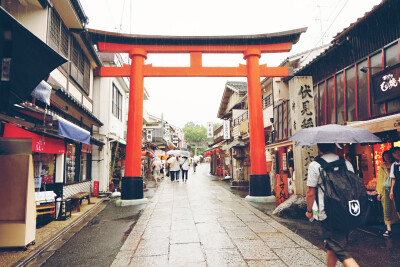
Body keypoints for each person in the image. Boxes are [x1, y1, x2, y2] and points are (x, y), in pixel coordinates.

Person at [305, 143, 359, 267]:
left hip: (327, 212)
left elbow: (310, 193)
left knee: (338, 248)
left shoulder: (315, 165)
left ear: (319, 149)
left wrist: (309, 210)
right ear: (335, 147)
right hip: (346, 209)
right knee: (332, 244)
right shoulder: (346, 163)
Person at [376, 150, 396, 236]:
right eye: (385, 156)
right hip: (385, 188)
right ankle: (389, 228)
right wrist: (379, 192)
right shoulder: (382, 165)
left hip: (396, 187)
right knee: (387, 208)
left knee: (397, 206)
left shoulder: (395, 164)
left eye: (388, 155)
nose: (386, 157)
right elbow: (380, 179)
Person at [389, 147, 400, 215]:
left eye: (398, 151)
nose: (397, 154)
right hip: (397, 187)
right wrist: (391, 191)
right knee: (399, 206)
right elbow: (393, 179)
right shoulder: (394, 165)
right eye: (394, 153)